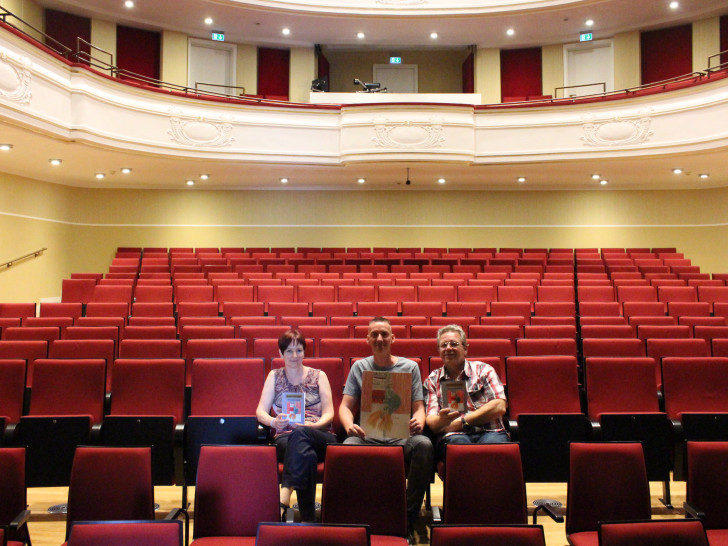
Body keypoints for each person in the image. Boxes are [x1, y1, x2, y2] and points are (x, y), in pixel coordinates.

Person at [339, 317, 433, 544]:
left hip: (401, 438)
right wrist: (349, 425)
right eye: (374, 334)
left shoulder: (410, 367)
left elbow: (419, 408)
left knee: (424, 445)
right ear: (367, 339)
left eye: (384, 334)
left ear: (393, 338)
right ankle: (358, 513)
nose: (379, 339)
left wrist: (419, 421)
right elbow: (345, 406)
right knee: (346, 448)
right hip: (366, 437)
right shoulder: (359, 367)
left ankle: (407, 516)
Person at [256, 329, 337, 522]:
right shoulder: (274, 376)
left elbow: (329, 413)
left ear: (304, 352)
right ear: (280, 353)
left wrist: (314, 425)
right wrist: (274, 422)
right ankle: (308, 520)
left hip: (319, 435)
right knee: (306, 456)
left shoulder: (319, 375)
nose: (294, 356)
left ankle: (285, 491)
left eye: (298, 350)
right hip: (286, 438)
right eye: (289, 351)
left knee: (302, 433)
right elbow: (260, 412)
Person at [424, 324, 509, 463]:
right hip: (454, 435)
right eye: (443, 345)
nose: (448, 348)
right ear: (438, 350)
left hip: (490, 431)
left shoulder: (484, 370)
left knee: (494, 449)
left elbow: (499, 406)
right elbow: (432, 422)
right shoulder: (432, 380)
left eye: (454, 344)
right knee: (458, 447)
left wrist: (463, 421)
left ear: (465, 348)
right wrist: (441, 420)